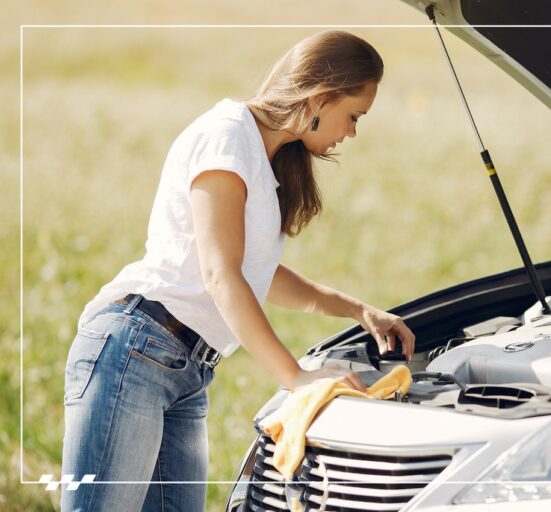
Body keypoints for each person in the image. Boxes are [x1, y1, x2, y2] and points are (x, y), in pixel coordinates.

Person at [60, 30, 416, 512]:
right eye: (354, 116)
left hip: (188, 371)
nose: (352, 131)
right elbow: (220, 276)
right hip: (136, 352)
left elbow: (258, 275)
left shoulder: (267, 158)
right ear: (322, 96)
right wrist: (296, 376)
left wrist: (359, 311)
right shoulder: (226, 136)